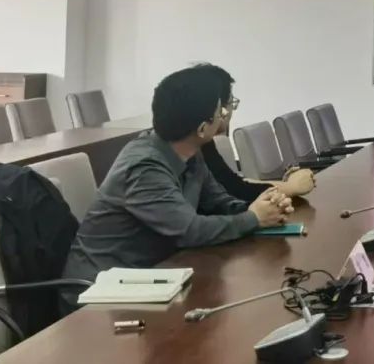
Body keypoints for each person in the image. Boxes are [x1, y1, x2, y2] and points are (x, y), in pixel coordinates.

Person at [61, 65, 293, 306]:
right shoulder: (144, 167)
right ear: (202, 128)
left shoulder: (191, 152)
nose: (225, 114)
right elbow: (189, 231)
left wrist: (266, 209)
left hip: (150, 277)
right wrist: (253, 219)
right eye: (221, 110)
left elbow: (217, 202)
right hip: (99, 293)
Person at [195, 65, 315, 201]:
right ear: (219, 108)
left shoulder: (201, 141)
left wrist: (284, 184)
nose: (229, 112)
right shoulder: (195, 145)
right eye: (231, 103)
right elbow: (235, 191)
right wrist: (291, 188)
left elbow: (233, 182)